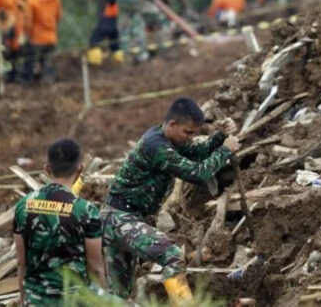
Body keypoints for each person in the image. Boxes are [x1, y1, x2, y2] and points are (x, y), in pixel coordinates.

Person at [101, 98, 240, 304]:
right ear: (172, 124)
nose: (191, 138)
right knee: (171, 254)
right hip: (119, 218)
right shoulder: (156, 146)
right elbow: (197, 173)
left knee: (119, 295)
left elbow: (198, 153)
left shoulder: (169, 140)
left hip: (123, 218)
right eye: (188, 132)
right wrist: (225, 150)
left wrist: (220, 136)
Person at [14, 138, 113, 305]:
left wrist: (25, 299)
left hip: (36, 301)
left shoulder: (23, 206)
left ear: (47, 169)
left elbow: (21, 262)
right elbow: (95, 269)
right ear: (80, 169)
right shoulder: (86, 211)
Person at [22, 0, 62, 83]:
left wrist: (27, 37)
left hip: (36, 40)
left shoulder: (30, 1)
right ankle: (48, 85)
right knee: (48, 66)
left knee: (29, 65)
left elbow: (28, 23)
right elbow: (58, 16)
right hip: (51, 38)